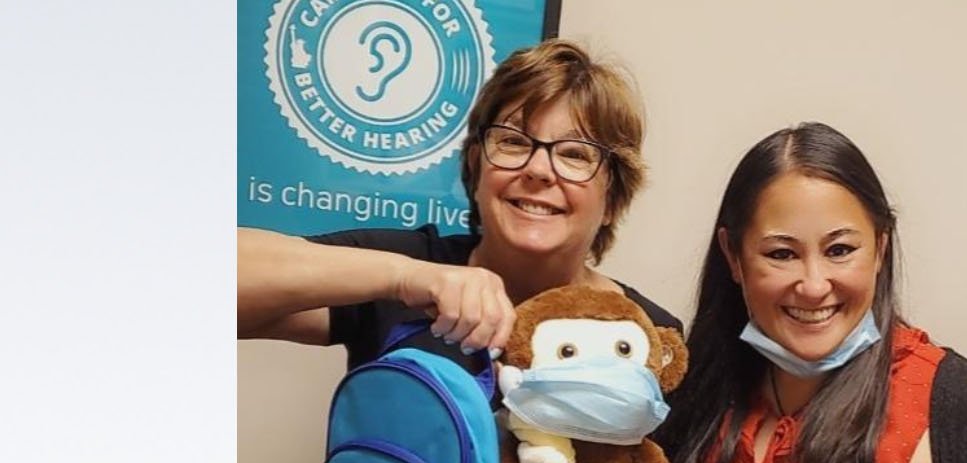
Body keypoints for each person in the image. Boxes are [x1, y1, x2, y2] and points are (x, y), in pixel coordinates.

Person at [653, 122, 967, 463]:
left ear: (880, 249)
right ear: (734, 257)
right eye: (781, 254)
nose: (813, 285)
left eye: (840, 250)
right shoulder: (687, 398)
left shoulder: (965, 410)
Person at [237, 39, 682, 374]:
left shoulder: (646, 333)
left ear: (614, 199)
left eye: (574, 154)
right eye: (513, 142)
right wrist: (405, 277)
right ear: (477, 166)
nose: (539, 169)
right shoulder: (407, 268)